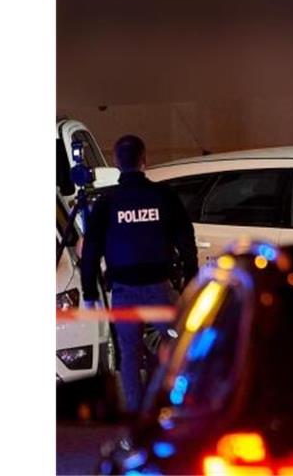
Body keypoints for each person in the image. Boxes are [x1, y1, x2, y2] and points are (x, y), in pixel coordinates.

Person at [80, 134, 198, 414]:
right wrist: (192, 281)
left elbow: (92, 251)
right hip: (160, 288)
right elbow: (186, 240)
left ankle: (136, 413)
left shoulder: (107, 202)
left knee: (129, 354)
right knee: (180, 343)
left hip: (124, 291)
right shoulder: (163, 196)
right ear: (145, 160)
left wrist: (89, 292)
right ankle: (178, 405)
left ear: (116, 162)